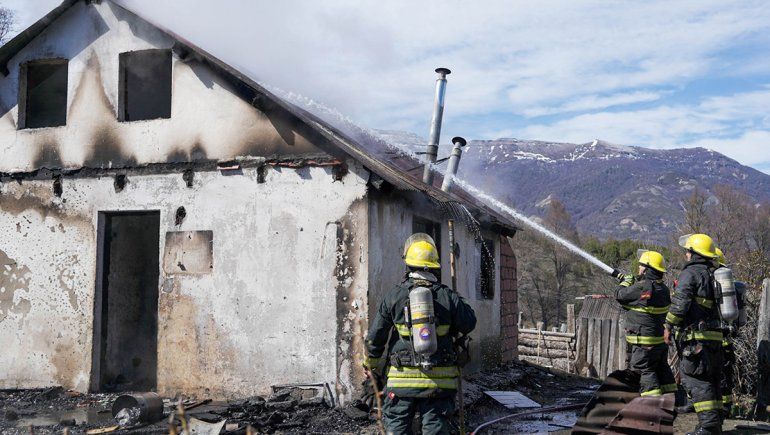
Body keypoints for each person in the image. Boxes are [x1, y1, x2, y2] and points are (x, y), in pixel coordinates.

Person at [363, 233, 477, 435]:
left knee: (396, 431)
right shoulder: (447, 295)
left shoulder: (394, 296)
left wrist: (370, 366)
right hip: (439, 385)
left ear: (408, 265)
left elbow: (375, 337)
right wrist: (458, 300)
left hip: (401, 383)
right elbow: (469, 323)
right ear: (434, 266)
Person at [665, 234, 724, 435]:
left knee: (696, 380)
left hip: (696, 340)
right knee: (712, 380)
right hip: (715, 339)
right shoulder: (714, 274)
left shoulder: (690, 273)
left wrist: (668, 325)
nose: (686, 254)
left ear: (694, 253)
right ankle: (715, 424)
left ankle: (708, 427)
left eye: (688, 251)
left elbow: (680, 303)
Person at [615, 250, 677, 397]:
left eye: (642, 265)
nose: (639, 267)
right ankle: (673, 400)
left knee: (644, 370)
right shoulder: (663, 288)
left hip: (644, 342)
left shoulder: (642, 287)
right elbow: (638, 302)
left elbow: (620, 295)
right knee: (662, 368)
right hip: (659, 341)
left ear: (648, 269)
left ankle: (652, 403)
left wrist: (626, 282)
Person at [714, 248, 747, 412]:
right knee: (726, 375)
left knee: (715, 375)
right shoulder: (731, 284)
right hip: (727, 339)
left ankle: (718, 408)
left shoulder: (713, 282)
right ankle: (726, 407)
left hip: (714, 340)